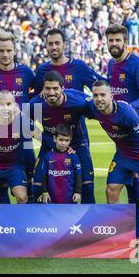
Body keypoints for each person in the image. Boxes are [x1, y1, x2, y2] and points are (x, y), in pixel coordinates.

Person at [86, 81, 139, 255]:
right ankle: (120, 237)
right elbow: (76, 99)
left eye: (102, 95)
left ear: (111, 96)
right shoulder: (92, 108)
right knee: (111, 190)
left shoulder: (126, 112)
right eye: (95, 95)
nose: (99, 99)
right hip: (123, 155)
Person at [33, 28, 106, 204]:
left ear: (64, 44)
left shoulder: (79, 67)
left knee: (85, 185)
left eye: (57, 43)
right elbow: (35, 101)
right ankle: (41, 227)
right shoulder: (42, 70)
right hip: (51, 136)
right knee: (42, 184)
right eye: (50, 43)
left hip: (76, 133)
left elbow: (98, 87)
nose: (54, 47)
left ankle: (89, 227)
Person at [105, 23, 139, 248]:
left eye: (117, 40)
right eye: (110, 40)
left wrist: (126, 109)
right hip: (122, 139)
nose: (114, 44)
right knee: (125, 186)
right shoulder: (109, 65)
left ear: (126, 40)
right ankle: (135, 233)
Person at [0, 30, 36, 204]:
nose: (5, 54)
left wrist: (26, 110)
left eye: (9, 50)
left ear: (15, 51)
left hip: (21, 134)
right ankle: (3, 226)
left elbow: (38, 92)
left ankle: (28, 222)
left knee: (29, 176)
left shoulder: (25, 72)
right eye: (1, 50)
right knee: (1, 184)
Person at [29, 70, 93, 204]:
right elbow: (26, 126)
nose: (51, 92)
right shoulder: (36, 104)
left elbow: (99, 111)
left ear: (63, 89)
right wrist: (52, 143)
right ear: (42, 89)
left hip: (77, 144)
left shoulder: (78, 101)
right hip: (50, 144)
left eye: (55, 88)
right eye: (47, 88)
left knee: (87, 186)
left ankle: (88, 223)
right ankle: (39, 224)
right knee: (37, 186)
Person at [38, 124, 82, 204]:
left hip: (69, 198)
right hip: (52, 198)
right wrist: (44, 192)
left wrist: (78, 192)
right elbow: (44, 175)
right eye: (61, 140)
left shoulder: (73, 156)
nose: (63, 143)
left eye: (66, 140)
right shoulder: (48, 156)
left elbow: (78, 175)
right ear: (55, 138)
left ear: (70, 140)